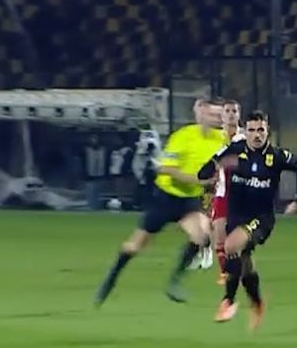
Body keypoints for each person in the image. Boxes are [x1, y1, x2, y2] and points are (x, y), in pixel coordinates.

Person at [94, 98, 224, 306]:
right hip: (165, 198)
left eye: (219, 115)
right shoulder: (183, 136)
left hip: (189, 201)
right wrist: (199, 181)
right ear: (202, 115)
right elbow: (165, 169)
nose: (217, 118)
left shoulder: (222, 139)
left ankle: (174, 282)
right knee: (134, 246)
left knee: (201, 236)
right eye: (213, 114)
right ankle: (110, 279)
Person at [198, 111, 297, 328]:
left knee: (230, 246)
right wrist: (218, 165)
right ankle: (257, 302)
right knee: (245, 264)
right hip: (236, 216)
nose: (257, 135)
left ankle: (228, 301)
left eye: (261, 130)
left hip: (261, 218)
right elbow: (203, 172)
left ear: (267, 131)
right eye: (252, 130)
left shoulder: (276, 156)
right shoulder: (235, 150)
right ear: (245, 131)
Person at [206, 99, 246, 284]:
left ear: (239, 115)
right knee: (219, 234)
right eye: (227, 111)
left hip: (242, 192)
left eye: (234, 111)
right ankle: (225, 273)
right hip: (222, 191)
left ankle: (240, 268)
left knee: (239, 237)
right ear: (222, 115)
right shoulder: (214, 139)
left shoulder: (245, 138)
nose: (231, 114)